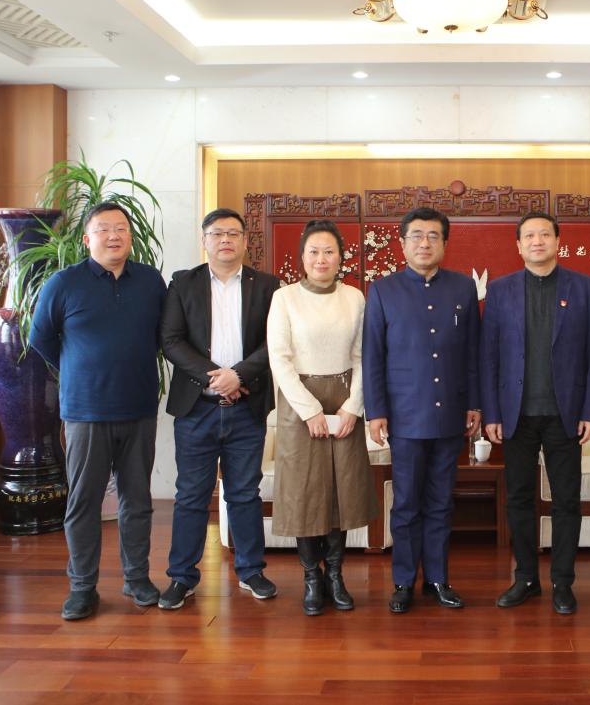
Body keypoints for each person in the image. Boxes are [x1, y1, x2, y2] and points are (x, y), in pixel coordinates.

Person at [29, 201, 167, 621]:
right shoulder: (63, 283)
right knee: (84, 502)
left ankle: (137, 578)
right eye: (104, 229)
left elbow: (162, 336)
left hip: (139, 407)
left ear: (130, 236)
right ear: (87, 238)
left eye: (121, 228)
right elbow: (41, 339)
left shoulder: (150, 281)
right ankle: (82, 588)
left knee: (137, 500)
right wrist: (80, 369)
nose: (113, 236)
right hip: (86, 412)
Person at [480, 211, 590, 615]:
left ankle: (563, 583)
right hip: (515, 414)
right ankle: (526, 579)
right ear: (518, 245)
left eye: (545, 235)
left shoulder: (584, 288)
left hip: (565, 414)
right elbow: (489, 356)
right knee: (519, 498)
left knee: (566, 500)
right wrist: (491, 413)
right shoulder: (500, 291)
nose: (537, 241)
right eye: (529, 236)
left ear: (557, 241)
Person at [158, 208, 280, 610]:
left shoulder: (267, 285)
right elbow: (171, 340)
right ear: (204, 240)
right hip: (197, 407)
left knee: (244, 493)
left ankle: (251, 570)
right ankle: (181, 577)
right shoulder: (183, 283)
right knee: (191, 494)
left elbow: (275, 341)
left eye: (232, 233)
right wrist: (215, 377)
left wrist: (239, 376)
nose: (225, 240)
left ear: (245, 241)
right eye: (216, 233)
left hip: (247, 406)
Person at [363, 207, 481, 614]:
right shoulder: (383, 290)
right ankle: (402, 582)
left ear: (444, 243)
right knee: (406, 503)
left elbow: (472, 351)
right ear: (402, 243)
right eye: (416, 235)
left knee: (441, 502)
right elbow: (373, 356)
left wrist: (475, 403)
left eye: (433, 236)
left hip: (450, 412)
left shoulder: (462, 288)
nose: (425, 243)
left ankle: (437, 579)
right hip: (404, 416)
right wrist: (376, 411)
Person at [268, 219, 378, 616]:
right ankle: (311, 578)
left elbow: (364, 356)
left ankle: (335, 574)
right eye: (313, 251)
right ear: (302, 257)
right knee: (305, 492)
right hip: (300, 403)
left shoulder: (355, 297)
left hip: (345, 400)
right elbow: (279, 359)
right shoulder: (284, 298)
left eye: (329, 251)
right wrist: (310, 410)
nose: (321, 259)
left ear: (340, 257)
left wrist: (353, 406)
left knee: (341, 491)